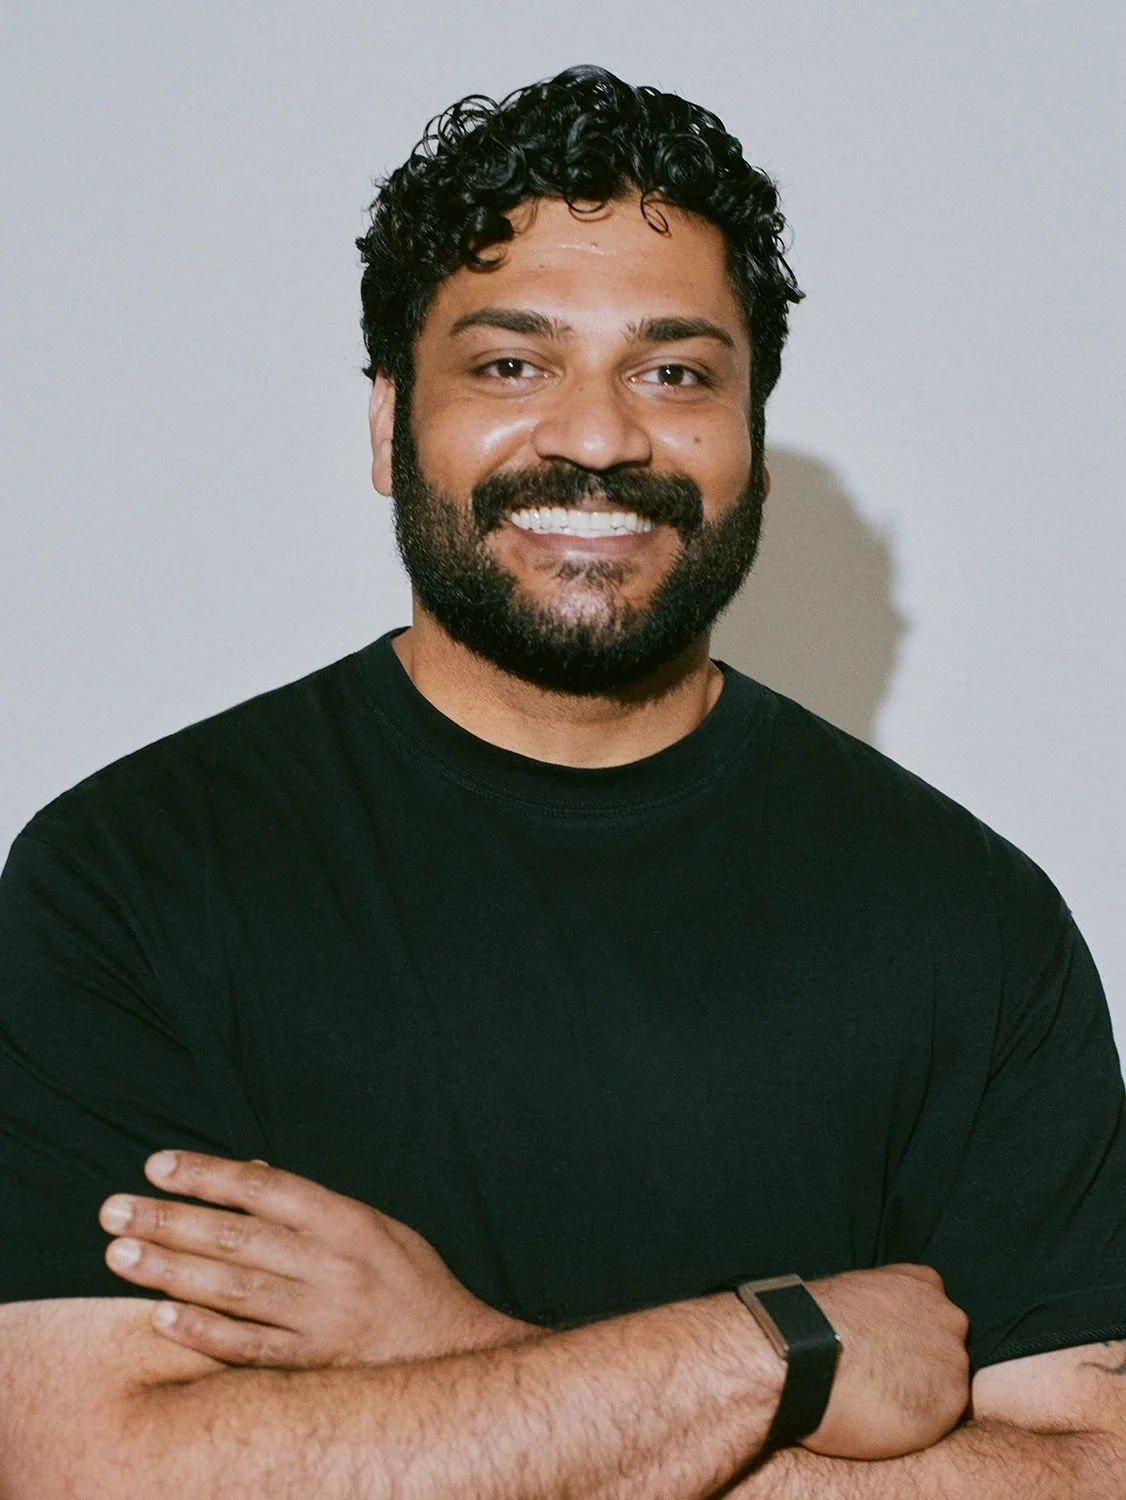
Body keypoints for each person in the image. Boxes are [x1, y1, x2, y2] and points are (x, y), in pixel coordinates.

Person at [1, 63, 1124, 1498]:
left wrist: (446, 1350)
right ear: (384, 425)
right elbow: (93, 1473)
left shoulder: (970, 922)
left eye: (673, 372)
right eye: (510, 363)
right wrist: (770, 1350)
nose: (597, 437)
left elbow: (1085, 1479)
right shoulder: (134, 875)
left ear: (752, 449)